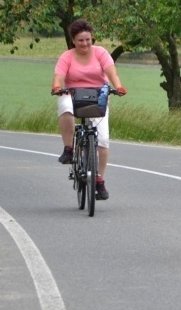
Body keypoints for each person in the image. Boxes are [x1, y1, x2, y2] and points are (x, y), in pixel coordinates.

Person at [51, 19, 127, 200]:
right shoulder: (66, 57)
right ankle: (69, 148)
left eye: (88, 40)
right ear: (73, 41)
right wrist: (56, 87)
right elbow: (59, 77)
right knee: (65, 106)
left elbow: (111, 73)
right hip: (73, 93)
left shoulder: (101, 53)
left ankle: (99, 180)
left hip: (98, 94)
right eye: (80, 40)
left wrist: (118, 86)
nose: (85, 44)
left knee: (102, 140)